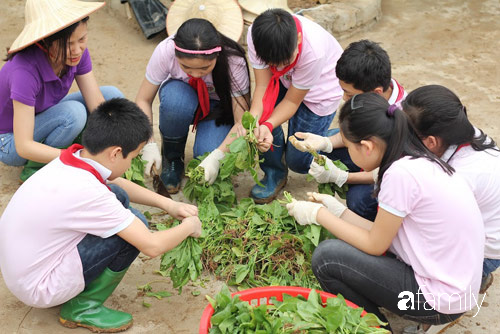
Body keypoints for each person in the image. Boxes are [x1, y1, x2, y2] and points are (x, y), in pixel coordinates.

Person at [286, 93, 484, 333]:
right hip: (459, 290)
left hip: (440, 302)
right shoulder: (415, 158)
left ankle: (377, 330)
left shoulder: (399, 175)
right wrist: (338, 211)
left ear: (367, 147)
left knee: (327, 257)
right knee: (343, 242)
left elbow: (375, 245)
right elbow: (382, 233)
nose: (349, 154)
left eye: (349, 148)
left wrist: (318, 215)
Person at [0, 98, 201, 333]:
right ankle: (83, 307)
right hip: (39, 286)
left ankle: (78, 292)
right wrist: (190, 226)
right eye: (133, 157)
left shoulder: (74, 159)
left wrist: (168, 205)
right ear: (116, 153)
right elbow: (152, 246)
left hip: (23, 269)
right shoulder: (89, 193)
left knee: (116, 194)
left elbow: (116, 183)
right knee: (133, 230)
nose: (132, 162)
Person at [0, 0, 124, 182]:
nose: (76, 50)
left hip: (41, 117)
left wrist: (122, 142)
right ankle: (37, 169)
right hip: (10, 141)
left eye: (82, 39)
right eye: (67, 44)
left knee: (112, 97)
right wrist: (79, 160)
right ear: (44, 42)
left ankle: (61, 155)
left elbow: (97, 104)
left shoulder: (77, 53)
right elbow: (24, 146)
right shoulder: (24, 71)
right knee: (73, 114)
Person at [293, 40, 407, 220]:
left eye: (350, 94)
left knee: (358, 199)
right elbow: (353, 130)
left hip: (390, 172)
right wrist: (326, 142)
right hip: (376, 157)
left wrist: (342, 177)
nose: (345, 98)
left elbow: (387, 172)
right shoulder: (378, 89)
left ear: (376, 93)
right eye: (343, 91)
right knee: (320, 151)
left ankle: (372, 222)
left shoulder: (402, 121)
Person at [403, 84, 500, 295]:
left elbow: (436, 227)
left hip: (484, 253)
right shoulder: (462, 132)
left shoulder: (458, 176)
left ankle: (468, 284)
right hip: (487, 231)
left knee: (402, 238)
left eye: (408, 133)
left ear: (430, 141)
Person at [135, 18, 250, 193]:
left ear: (217, 55)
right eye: (186, 67)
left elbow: (242, 121)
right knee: (176, 102)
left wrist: (217, 156)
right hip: (182, 96)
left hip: (218, 108)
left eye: (204, 68)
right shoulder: (166, 51)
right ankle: (172, 158)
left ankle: (209, 152)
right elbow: (143, 99)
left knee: (206, 154)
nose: (196, 74)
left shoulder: (234, 60)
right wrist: (148, 141)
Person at [245, 8, 344, 203]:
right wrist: (256, 121)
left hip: (320, 91)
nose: (280, 67)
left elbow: (292, 101)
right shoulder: (256, 36)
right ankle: (274, 173)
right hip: (287, 81)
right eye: (274, 63)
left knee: (299, 162)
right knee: (263, 116)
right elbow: (263, 85)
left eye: (286, 61)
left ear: (298, 39)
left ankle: (340, 139)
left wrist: (266, 125)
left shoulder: (313, 51)